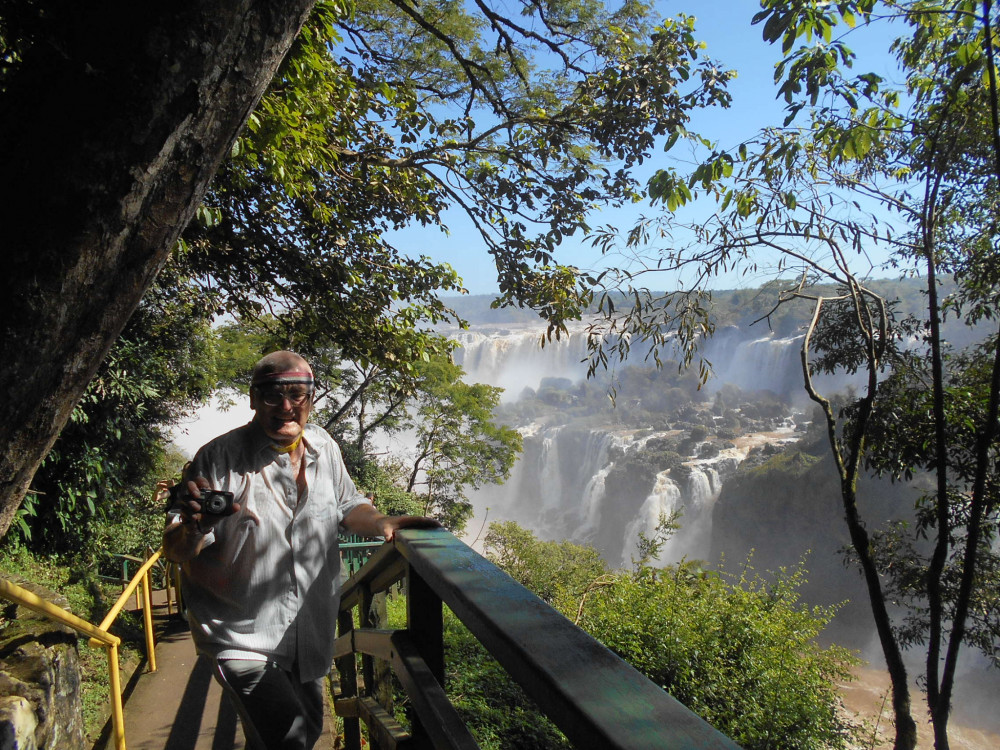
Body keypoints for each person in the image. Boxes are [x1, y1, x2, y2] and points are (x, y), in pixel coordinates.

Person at [163, 350, 440, 749]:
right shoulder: (219, 458)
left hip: (308, 633)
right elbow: (176, 550)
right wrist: (194, 528)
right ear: (253, 398)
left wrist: (382, 523)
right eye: (274, 394)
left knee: (304, 734)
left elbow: (348, 504)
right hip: (241, 636)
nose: (287, 406)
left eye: (298, 394)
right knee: (290, 737)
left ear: (312, 398)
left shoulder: (323, 447)